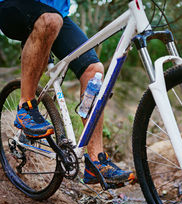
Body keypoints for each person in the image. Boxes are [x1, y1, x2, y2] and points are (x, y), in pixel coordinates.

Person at [0, 0, 135, 185]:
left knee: (94, 71)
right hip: (13, 6)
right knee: (49, 20)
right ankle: (26, 106)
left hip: (58, 13)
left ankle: (96, 162)